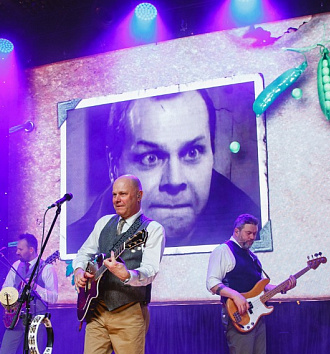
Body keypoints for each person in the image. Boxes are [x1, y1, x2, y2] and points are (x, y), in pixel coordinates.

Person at [67, 89, 260, 249]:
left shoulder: (253, 232)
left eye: (192, 153)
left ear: (212, 154)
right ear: (114, 166)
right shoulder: (78, 244)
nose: (175, 180)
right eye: (150, 158)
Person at [68, 175, 165, 354]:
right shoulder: (103, 223)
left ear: (139, 195)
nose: (117, 199)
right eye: (114, 195)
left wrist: (127, 274)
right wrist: (79, 271)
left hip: (129, 312)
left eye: (123, 194)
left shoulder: (152, 229)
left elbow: (150, 269)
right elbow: (83, 254)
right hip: (97, 312)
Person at [206, 214, 295, 354]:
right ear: (236, 231)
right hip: (236, 315)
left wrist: (280, 287)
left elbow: (258, 288)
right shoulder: (223, 251)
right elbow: (212, 283)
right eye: (248, 233)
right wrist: (235, 295)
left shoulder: (252, 257)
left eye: (255, 233)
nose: (252, 237)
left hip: (256, 317)